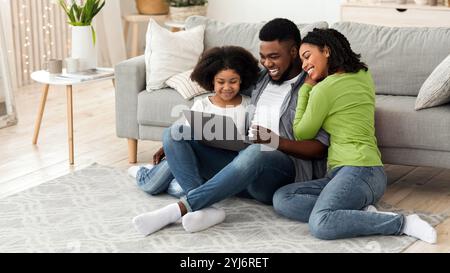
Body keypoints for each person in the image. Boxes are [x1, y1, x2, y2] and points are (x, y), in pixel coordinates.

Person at [132, 18, 330, 236]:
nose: (267, 63)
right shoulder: (262, 79)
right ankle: (204, 209)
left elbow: (319, 148)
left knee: (257, 150)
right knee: (175, 133)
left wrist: (274, 141)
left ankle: (180, 208)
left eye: (274, 57)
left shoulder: (313, 87)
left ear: (294, 52)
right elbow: (226, 84)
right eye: (263, 57)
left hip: (280, 172)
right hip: (243, 161)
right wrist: (185, 142)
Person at [272, 28, 437, 244]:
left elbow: (302, 132)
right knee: (282, 198)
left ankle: (403, 223)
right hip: (351, 174)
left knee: (321, 223)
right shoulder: (363, 74)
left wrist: (306, 89)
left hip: (360, 170)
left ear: (326, 51)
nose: (304, 66)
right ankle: (358, 212)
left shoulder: (324, 90)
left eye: (307, 56)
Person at [129, 45, 259, 203]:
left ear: (242, 80)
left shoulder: (249, 106)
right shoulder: (202, 105)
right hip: (197, 160)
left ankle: (180, 189)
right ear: (212, 81)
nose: (227, 87)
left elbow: (252, 143)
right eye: (221, 82)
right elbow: (184, 139)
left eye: (233, 82)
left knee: (176, 188)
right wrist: (169, 147)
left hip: (226, 164)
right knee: (156, 186)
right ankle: (142, 174)